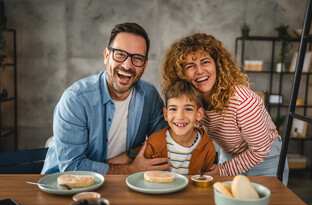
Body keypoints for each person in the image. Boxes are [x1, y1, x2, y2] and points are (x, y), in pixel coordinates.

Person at [42, 22, 169, 175]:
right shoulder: (75, 100)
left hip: (124, 186)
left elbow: (163, 141)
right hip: (65, 187)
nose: (127, 65)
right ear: (106, 56)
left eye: (137, 58)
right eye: (120, 54)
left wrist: (129, 155)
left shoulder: (149, 96)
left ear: (145, 64)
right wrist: (130, 169)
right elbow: (72, 167)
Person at [162, 33, 289, 184]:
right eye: (190, 66)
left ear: (217, 64)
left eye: (205, 62)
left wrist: (223, 170)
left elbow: (260, 150)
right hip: (229, 157)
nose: (200, 71)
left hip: (266, 160)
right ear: (181, 73)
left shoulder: (243, 102)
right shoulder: (193, 101)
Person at [144, 79, 216, 175]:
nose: (180, 116)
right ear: (165, 114)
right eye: (173, 109)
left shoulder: (208, 148)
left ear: (199, 114)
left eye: (188, 109)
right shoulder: (153, 145)